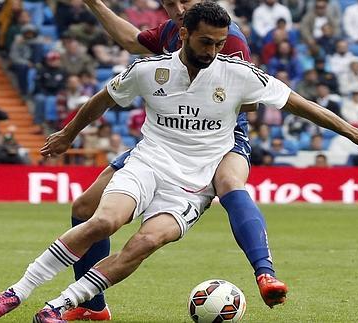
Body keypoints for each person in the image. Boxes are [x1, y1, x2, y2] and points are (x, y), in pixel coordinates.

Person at [0, 3, 358, 322]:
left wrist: (357, 133)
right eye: (207, 43)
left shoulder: (237, 72)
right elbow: (104, 99)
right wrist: (70, 133)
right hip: (148, 162)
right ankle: (17, 291)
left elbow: (301, 105)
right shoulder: (149, 70)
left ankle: (61, 306)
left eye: (221, 43)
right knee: (100, 222)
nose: (215, 50)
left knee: (145, 243)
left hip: (194, 182)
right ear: (182, 34)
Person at [63, 0, 281, 320]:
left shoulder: (224, 37)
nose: (178, 6)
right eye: (171, 2)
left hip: (223, 136)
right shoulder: (172, 29)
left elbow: (249, 106)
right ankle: (92, 307)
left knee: (229, 183)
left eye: (185, 0)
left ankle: (265, 273)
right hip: (168, 138)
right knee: (84, 208)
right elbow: (131, 41)